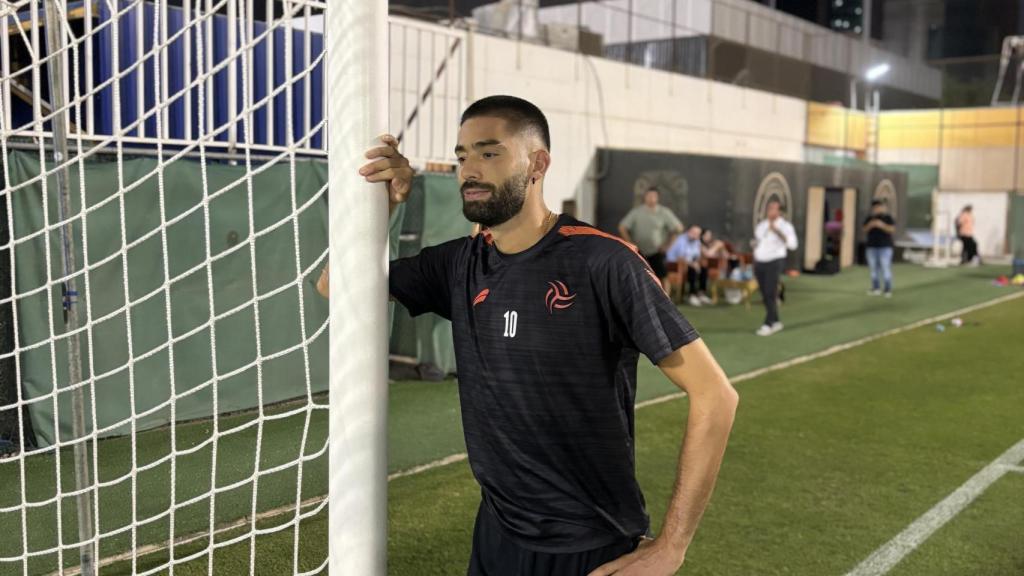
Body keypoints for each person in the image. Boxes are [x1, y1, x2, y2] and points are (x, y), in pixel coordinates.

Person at [327, 95, 738, 576]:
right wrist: (387, 205)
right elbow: (336, 285)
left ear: (538, 163)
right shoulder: (461, 263)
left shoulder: (603, 262)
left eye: (489, 152)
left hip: (591, 547)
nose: (470, 170)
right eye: (462, 157)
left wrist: (671, 547)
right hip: (497, 537)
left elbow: (716, 396)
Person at [618, 187, 684, 294]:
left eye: (653, 196)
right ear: (645, 197)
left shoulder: (664, 212)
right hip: (639, 252)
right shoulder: (637, 212)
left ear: (657, 198)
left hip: (657, 251)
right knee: (637, 276)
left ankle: (666, 301)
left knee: (663, 276)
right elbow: (622, 227)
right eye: (648, 196)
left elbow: (679, 228)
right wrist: (629, 242)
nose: (651, 198)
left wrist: (668, 245)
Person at [752, 200, 798, 336]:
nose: (770, 210)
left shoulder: (786, 226)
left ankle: (768, 323)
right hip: (760, 262)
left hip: (775, 261)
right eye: (769, 208)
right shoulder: (761, 226)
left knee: (770, 292)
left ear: (780, 212)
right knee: (764, 293)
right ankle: (776, 321)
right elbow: (759, 240)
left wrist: (777, 231)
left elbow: (792, 245)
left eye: (773, 208)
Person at [666, 225, 712, 306]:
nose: (695, 235)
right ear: (688, 232)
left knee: (703, 267)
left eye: (698, 233)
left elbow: (696, 256)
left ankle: (701, 293)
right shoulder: (681, 240)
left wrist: (696, 263)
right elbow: (680, 257)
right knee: (692, 269)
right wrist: (693, 264)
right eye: (693, 232)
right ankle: (691, 295)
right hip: (673, 265)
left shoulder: (696, 241)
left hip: (686, 263)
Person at [863, 200, 895, 297]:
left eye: (879, 207)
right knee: (873, 269)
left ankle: (887, 289)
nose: (877, 209)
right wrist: (871, 225)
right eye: (875, 207)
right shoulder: (869, 218)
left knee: (885, 268)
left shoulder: (887, 218)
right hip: (871, 247)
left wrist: (881, 225)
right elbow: (864, 229)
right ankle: (876, 288)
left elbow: (892, 229)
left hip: (885, 247)